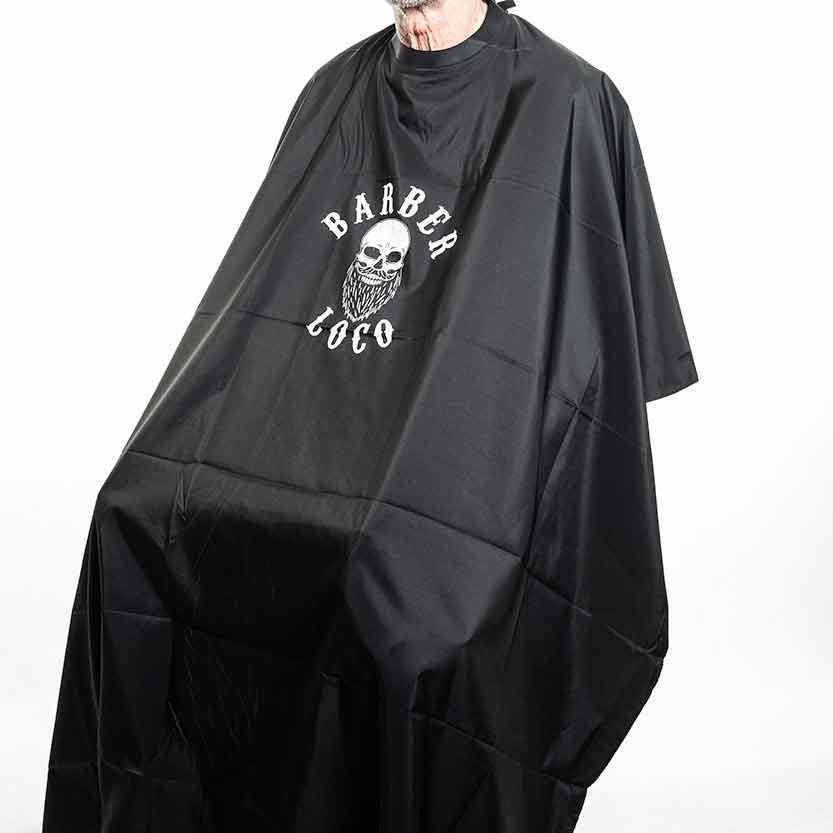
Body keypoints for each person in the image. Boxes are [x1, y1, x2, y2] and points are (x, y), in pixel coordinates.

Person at [43, 1, 697, 831]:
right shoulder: (333, 91)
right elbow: (262, 306)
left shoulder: (569, 101)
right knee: (130, 519)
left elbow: (601, 362)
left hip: (471, 486)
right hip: (314, 458)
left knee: (404, 597)